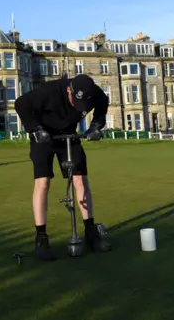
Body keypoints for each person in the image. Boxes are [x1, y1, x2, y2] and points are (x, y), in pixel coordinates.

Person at [14, 73, 112, 260]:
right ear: (69, 90)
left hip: (69, 134)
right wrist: (35, 129)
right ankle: (41, 238)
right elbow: (21, 104)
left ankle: (90, 231)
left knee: (80, 180)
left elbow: (102, 107)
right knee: (42, 183)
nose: (78, 106)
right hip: (43, 136)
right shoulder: (50, 91)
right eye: (75, 101)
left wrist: (95, 127)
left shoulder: (95, 94)